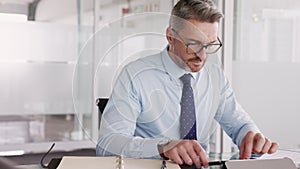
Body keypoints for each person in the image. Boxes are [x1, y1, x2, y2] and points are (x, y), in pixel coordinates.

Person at [96, 0, 278, 168]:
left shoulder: (215, 77)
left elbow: (239, 124)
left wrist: (250, 136)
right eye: (193, 44)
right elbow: (107, 145)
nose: (202, 55)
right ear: (170, 36)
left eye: (210, 45)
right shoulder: (136, 75)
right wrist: (162, 148)